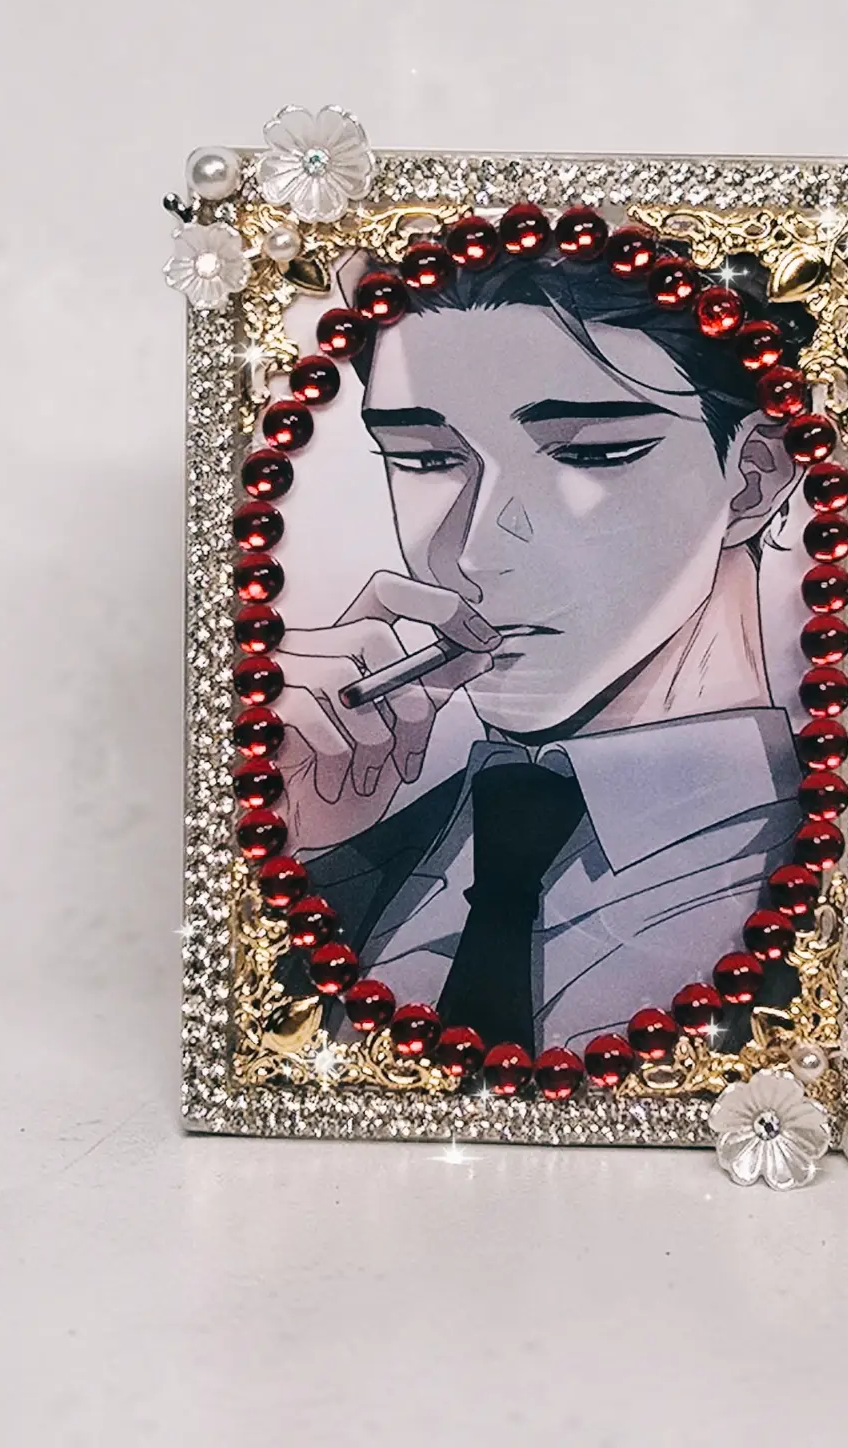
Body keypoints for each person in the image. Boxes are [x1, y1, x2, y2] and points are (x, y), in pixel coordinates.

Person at [276, 242, 814, 1053]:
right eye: (425, 460)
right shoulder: (354, 859)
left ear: (754, 477)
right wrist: (295, 852)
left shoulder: (821, 883)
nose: (475, 551)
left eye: (590, 453)